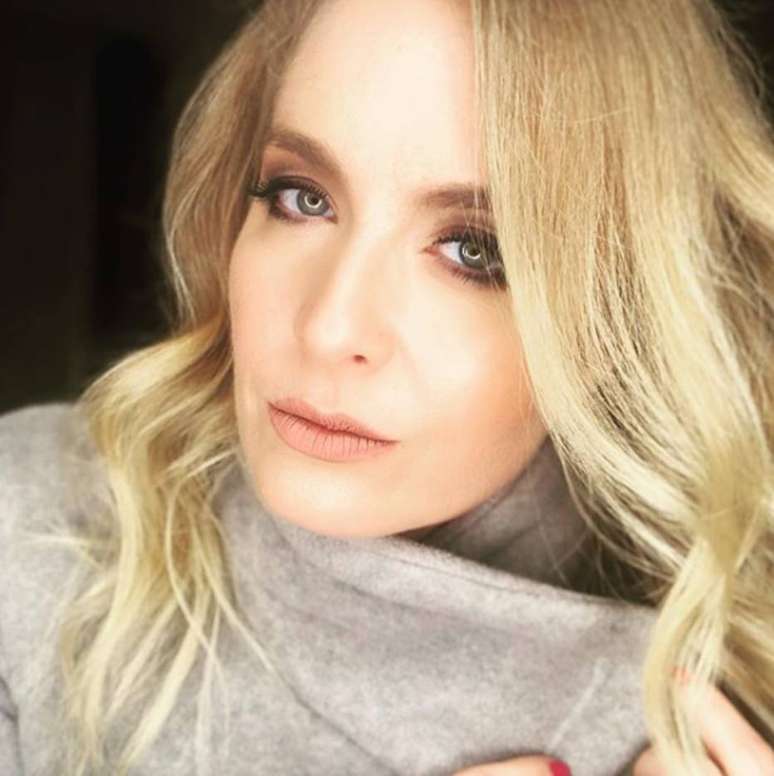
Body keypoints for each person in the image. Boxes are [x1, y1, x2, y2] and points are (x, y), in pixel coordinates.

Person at [1, 0, 772, 774]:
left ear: (624, 314)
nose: (330, 327)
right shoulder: (28, 526)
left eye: (474, 249)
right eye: (302, 197)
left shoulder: (720, 703)